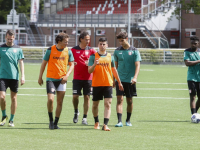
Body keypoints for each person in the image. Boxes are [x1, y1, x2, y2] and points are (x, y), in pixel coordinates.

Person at [38, 32, 74, 129]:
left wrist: (67, 75)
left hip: (62, 80)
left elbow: (72, 64)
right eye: (65, 42)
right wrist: (40, 76)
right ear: (59, 41)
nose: (67, 43)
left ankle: (55, 123)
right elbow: (44, 63)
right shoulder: (50, 50)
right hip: (51, 79)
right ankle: (50, 120)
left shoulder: (68, 51)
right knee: (50, 99)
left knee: (60, 102)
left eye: (67, 42)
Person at [88, 37, 123, 131]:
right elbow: (89, 71)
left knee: (108, 104)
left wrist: (119, 82)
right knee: (95, 104)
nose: (102, 46)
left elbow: (114, 70)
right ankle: (96, 122)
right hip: (96, 84)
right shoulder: (93, 56)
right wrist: (94, 64)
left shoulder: (110, 56)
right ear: (98, 45)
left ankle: (105, 124)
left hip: (108, 83)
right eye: (100, 44)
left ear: (107, 45)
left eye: (104, 44)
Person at [114, 32, 141, 127]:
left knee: (129, 101)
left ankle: (128, 120)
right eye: (119, 41)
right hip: (119, 80)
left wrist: (135, 77)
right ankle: (119, 121)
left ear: (127, 38)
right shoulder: (117, 51)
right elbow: (115, 67)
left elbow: (137, 65)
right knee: (119, 100)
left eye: (122, 40)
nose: (121, 43)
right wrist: (114, 79)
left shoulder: (134, 51)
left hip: (130, 80)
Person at [0, 30, 25, 127]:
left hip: (14, 77)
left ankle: (11, 119)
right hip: (2, 76)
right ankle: (3, 116)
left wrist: (23, 76)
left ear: (14, 38)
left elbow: (21, 63)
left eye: (12, 38)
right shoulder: (1, 48)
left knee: (14, 98)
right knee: (2, 97)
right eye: (8, 38)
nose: (10, 40)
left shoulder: (18, 49)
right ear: (5, 38)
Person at [71, 31, 96, 125]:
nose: (88, 41)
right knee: (75, 96)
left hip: (88, 78)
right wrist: (72, 63)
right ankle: (76, 111)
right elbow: (68, 60)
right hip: (77, 78)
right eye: (86, 39)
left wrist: (90, 64)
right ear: (81, 39)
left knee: (87, 97)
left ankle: (84, 118)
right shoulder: (73, 50)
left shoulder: (92, 50)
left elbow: (97, 60)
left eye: (89, 39)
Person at [184, 36, 200, 114]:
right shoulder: (187, 51)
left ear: (198, 43)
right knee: (192, 96)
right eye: (192, 43)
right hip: (191, 78)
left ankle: (195, 113)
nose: (193, 45)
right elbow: (187, 63)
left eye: (195, 43)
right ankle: (193, 115)